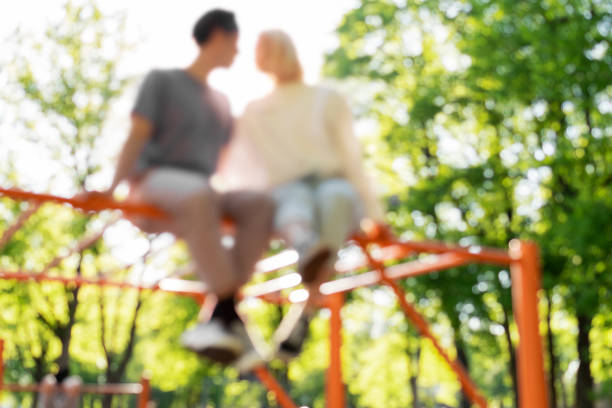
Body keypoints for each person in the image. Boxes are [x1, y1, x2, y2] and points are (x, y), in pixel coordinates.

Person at [85, 10, 274, 371]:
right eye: (235, 43)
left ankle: (221, 313)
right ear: (219, 35)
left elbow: (228, 166)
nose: (238, 52)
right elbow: (137, 135)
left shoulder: (222, 103)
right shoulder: (162, 81)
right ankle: (228, 312)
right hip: (150, 185)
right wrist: (112, 189)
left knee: (261, 204)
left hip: (200, 193)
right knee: (199, 194)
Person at [221, 30, 384, 360]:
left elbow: (351, 158)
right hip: (284, 190)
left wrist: (377, 217)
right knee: (293, 201)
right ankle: (307, 257)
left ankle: (304, 305)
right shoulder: (254, 111)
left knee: (335, 199)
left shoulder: (327, 98)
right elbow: (237, 164)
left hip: (330, 183)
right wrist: (228, 207)